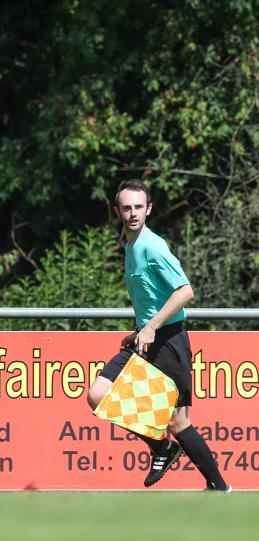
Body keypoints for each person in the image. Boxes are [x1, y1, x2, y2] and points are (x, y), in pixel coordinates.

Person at [86, 179, 231, 491]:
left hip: (168, 340)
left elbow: (185, 291)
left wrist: (151, 326)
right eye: (127, 207)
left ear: (149, 209)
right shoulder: (130, 245)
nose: (133, 213)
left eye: (139, 207)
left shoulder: (153, 246)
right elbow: (152, 299)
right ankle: (162, 448)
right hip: (146, 338)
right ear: (117, 211)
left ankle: (220, 487)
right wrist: (140, 329)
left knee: (179, 422)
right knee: (98, 394)